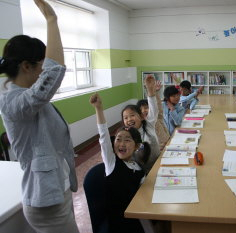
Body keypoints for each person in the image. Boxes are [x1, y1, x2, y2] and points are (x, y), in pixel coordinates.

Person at [0, 0, 79, 232]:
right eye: (41, 66)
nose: (44, 72)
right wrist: (51, 20)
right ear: (26, 66)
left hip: (57, 193)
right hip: (46, 204)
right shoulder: (14, 102)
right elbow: (54, 74)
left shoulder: (27, 98)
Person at [90, 93, 150, 233]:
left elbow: (143, 189)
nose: (121, 144)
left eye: (127, 140)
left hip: (137, 213)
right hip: (120, 222)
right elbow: (104, 135)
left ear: (136, 146)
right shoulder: (112, 164)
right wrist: (98, 108)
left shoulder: (138, 166)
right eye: (118, 139)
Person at [121, 75, 160, 174]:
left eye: (132, 115)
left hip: (158, 165)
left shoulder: (148, 124)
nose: (129, 119)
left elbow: (154, 109)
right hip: (141, 174)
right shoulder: (126, 136)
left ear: (142, 117)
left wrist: (150, 89)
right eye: (125, 118)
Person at [137, 79, 170, 151]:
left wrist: (155, 92)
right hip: (159, 151)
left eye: (146, 108)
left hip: (169, 144)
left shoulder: (157, 118)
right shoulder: (142, 126)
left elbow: (158, 106)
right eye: (141, 109)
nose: (143, 111)